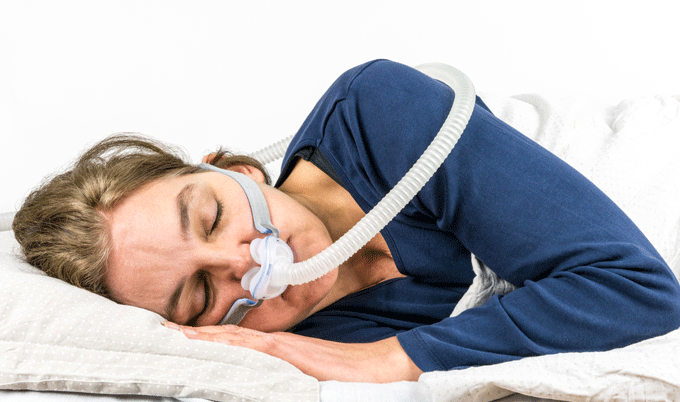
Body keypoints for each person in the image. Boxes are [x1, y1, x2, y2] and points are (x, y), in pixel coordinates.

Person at [12, 59, 680, 383]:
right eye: (201, 295)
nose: (248, 262)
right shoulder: (313, 336)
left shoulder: (379, 112)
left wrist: (387, 361)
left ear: (238, 170)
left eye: (212, 217)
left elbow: (635, 290)